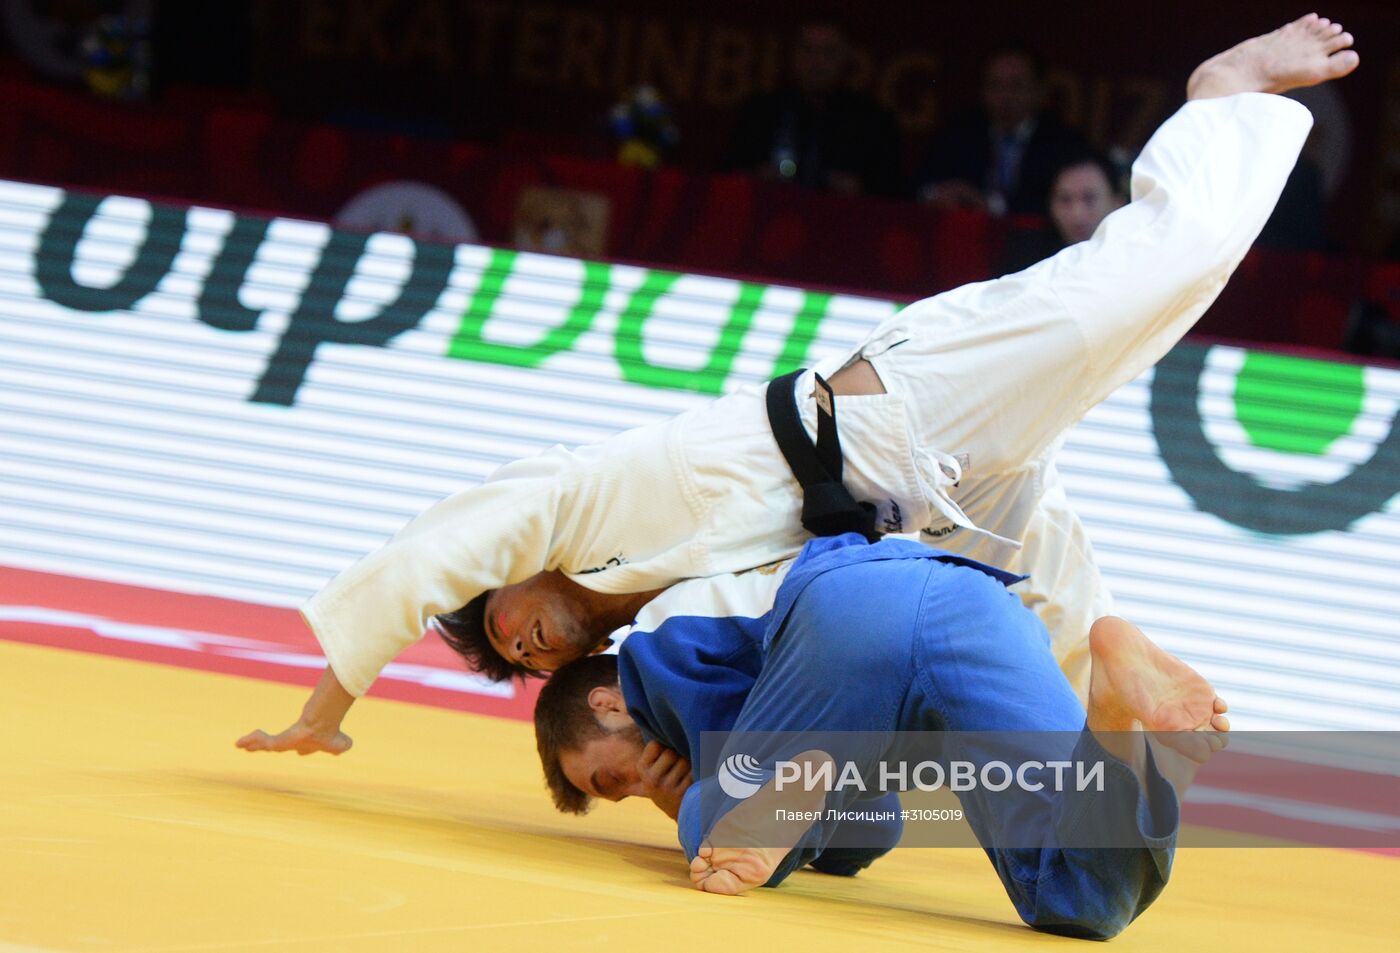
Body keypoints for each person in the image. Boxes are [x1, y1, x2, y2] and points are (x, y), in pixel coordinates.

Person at [236, 15, 1357, 759]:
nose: (525, 641)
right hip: (921, 497)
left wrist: (324, 708)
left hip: (899, 408)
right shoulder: (654, 621)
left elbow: (429, 552)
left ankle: (1218, 99)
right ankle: (1107, 661)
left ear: (511, 580)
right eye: (523, 659)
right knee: (1038, 621)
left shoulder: (567, 509)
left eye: (504, 621)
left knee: (1146, 284)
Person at [535, 533, 1230, 939]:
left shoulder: (655, 658)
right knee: (1081, 898)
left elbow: (755, 835)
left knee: (715, 831)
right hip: (976, 608)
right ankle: (1115, 729)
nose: (633, 787)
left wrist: (685, 805)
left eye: (608, 778)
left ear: (608, 702)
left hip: (844, 614)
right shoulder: (727, 686)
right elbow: (878, 827)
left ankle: (752, 803)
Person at [723, 22, 902, 197]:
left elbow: (893, 192)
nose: (817, 62)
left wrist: (860, 191)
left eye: (828, 52)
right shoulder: (761, 111)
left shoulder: (873, 122)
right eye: (807, 50)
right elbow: (727, 173)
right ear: (794, 54)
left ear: (846, 57)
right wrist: (756, 178)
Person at [914, 47, 1088, 216]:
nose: (1004, 96)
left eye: (1016, 86)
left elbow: (1055, 202)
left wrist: (993, 205)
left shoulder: (1061, 141)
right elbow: (919, 183)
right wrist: (936, 193)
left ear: (1038, 91)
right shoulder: (961, 131)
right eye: (995, 85)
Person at [997, 150, 1125, 275]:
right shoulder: (1025, 258)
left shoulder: (1132, 256)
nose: (1077, 214)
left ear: (1118, 203)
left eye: (1089, 199)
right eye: (1065, 200)